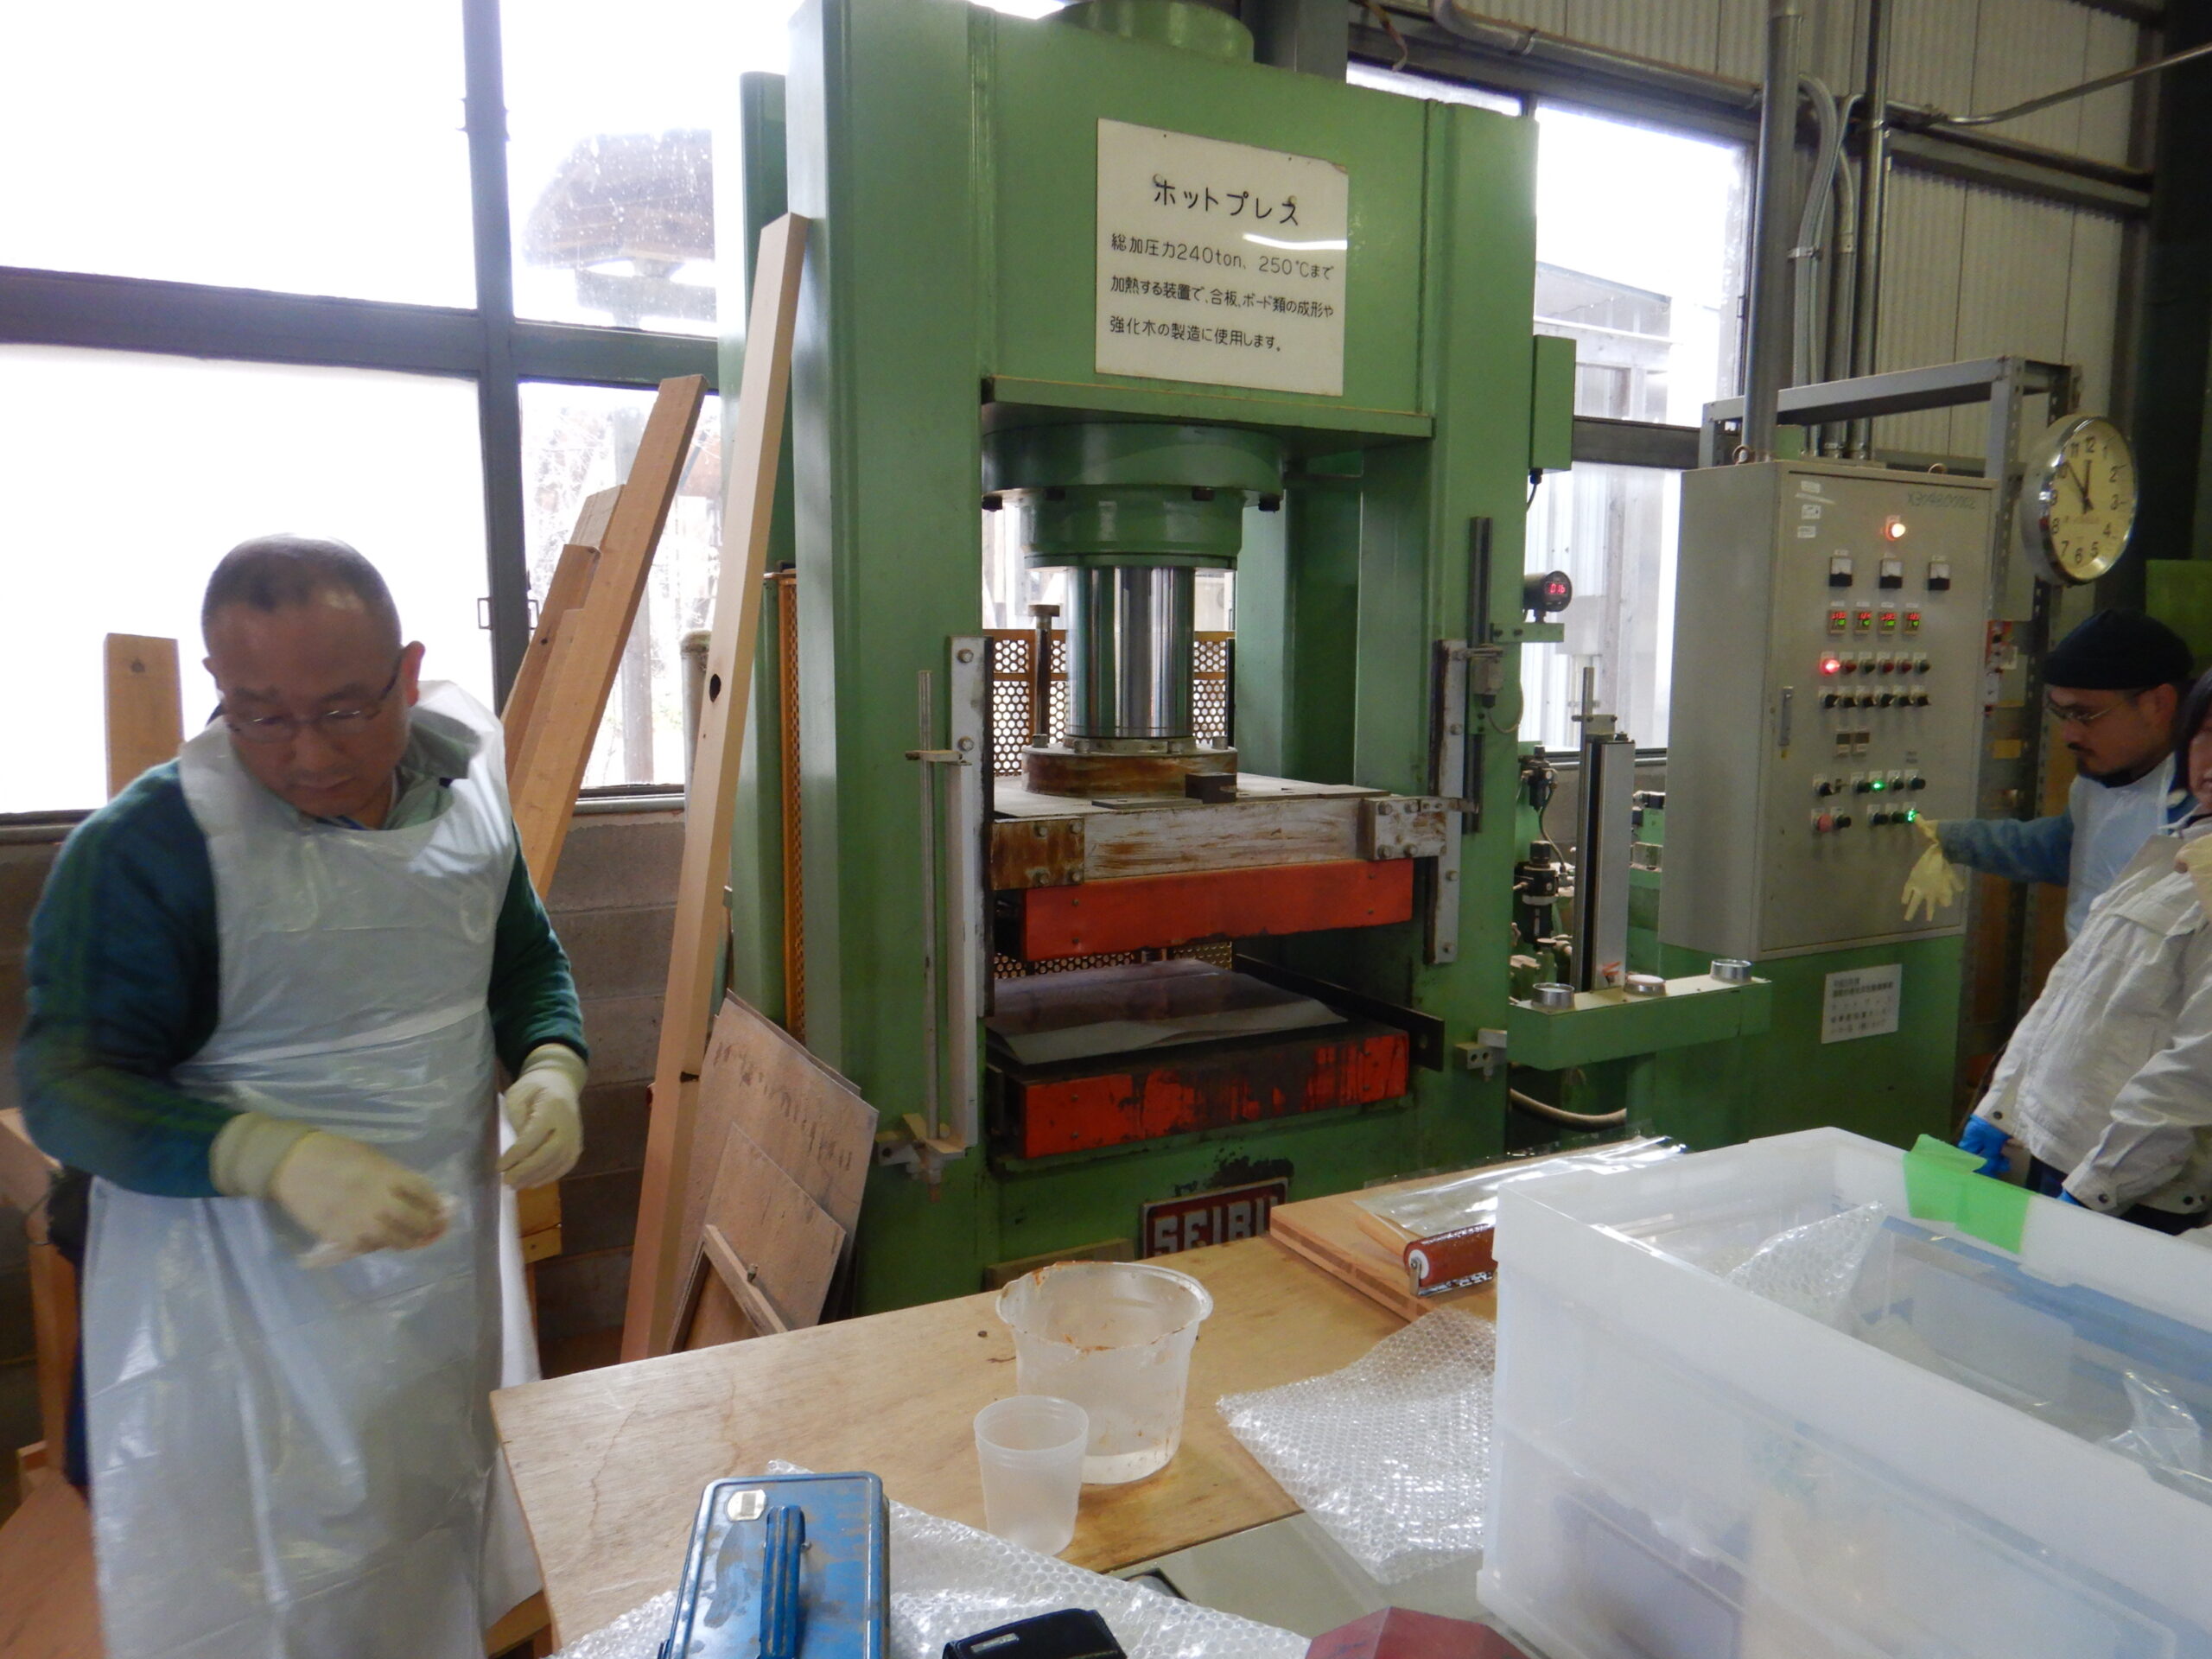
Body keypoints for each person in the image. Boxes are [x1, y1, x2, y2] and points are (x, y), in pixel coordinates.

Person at [17, 536, 588, 1658]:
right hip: (223, 1318)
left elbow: (522, 958)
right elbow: (65, 1083)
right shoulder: (152, 849)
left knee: (423, 1528)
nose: (310, 753)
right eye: (261, 715)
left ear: (407, 675)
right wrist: (265, 1153)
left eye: (344, 710)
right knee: (263, 1598)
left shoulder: (464, 797)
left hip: (432, 1283)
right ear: (217, 684)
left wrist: (553, 1061)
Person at [1953, 663, 2212, 1233]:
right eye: (2204, 736)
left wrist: (2096, 1193)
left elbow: (2193, 1075)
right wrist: (1999, 1108)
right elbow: (2068, 996)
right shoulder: (2169, 856)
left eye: (2086, 714)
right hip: (2066, 1157)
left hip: (2136, 1194)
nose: (2209, 761)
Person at [1902, 609, 2195, 937]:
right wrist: (1952, 838)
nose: (2068, 735)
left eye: (2084, 714)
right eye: (2061, 713)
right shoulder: (2099, 780)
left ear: (2158, 704)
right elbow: (2063, 849)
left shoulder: (2198, 805)